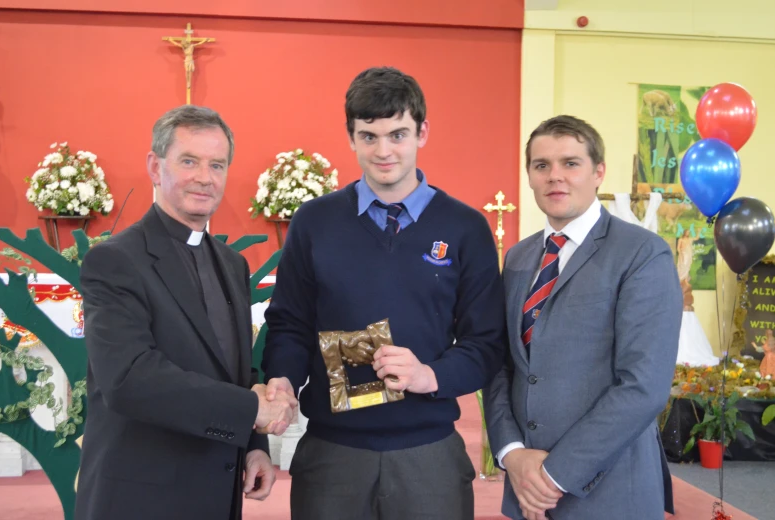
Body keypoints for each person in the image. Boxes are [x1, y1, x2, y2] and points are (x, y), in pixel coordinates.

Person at [261, 66, 506, 520]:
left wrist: (428, 376)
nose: (384, 150)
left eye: (398, 134)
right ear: (351, 137)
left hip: (428, 454)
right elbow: (289, 322)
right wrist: (282, 379)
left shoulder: (465, 227)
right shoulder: (314, 222)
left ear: (422, 132)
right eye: (368, 136)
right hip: (333, 453)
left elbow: (486, 342)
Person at [75, 105, 296, 520]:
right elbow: (128, 378)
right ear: (155, 167)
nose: (204, 177)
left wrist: (254, 446)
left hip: (217, 492)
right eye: (189, 161)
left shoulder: (233, 263)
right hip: (140, 498)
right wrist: (252, 410)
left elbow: (235, 367)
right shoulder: (115, 260)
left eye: (217, 164)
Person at [484, 115, 682, 520]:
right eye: (542, 166)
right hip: (527, 491)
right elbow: (501, 364)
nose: (555, 176)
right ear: (530, 175)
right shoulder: (519, 257)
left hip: (607, 493)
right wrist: (513, 454)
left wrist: (553, 476)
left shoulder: (642, 254)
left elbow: (643, 386)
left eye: (570, 163)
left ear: (598, 173)